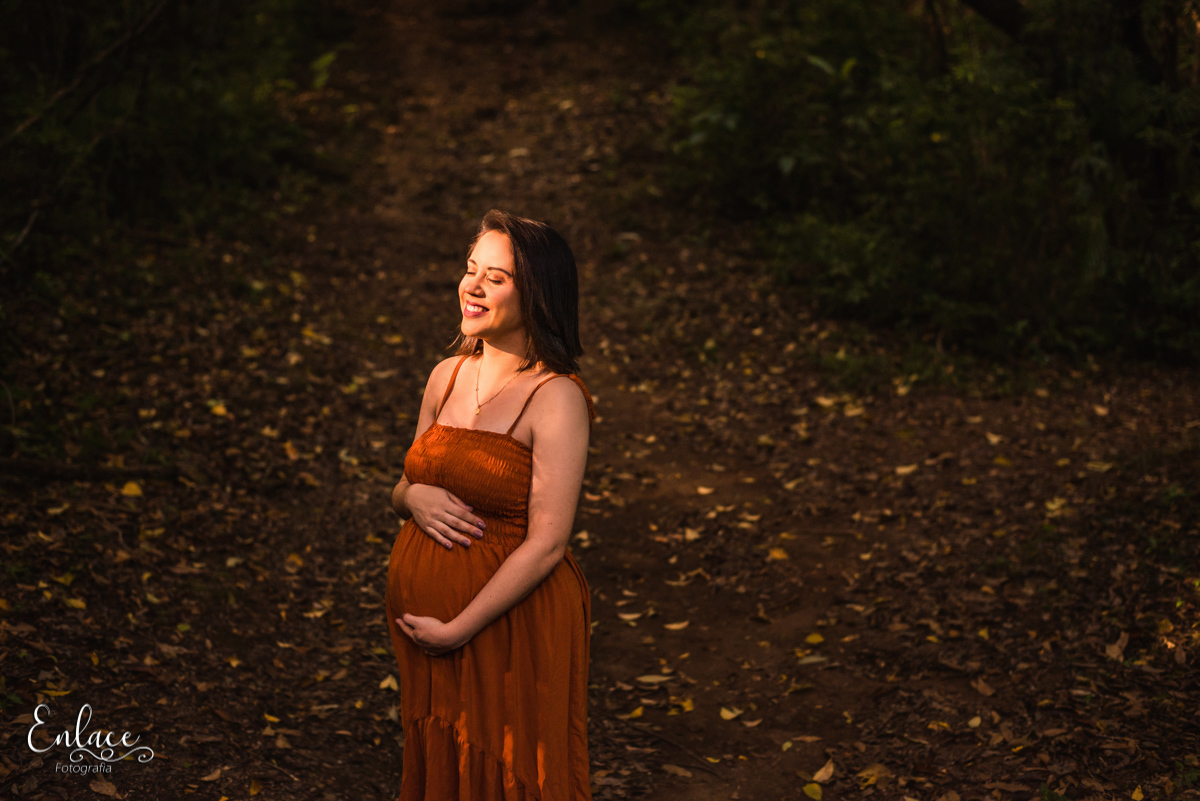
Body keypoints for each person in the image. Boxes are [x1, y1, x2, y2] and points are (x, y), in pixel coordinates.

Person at [385, 209, 595, 800]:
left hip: (505, 625)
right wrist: (412, 496)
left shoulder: (556, 399)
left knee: (506, 771)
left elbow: (548, 542)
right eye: (471, 269)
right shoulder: (446, 376)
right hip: (430, 635)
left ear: (538, 295)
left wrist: (458, 628)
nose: (471, 286)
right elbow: (405, 487)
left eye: (495, 278)